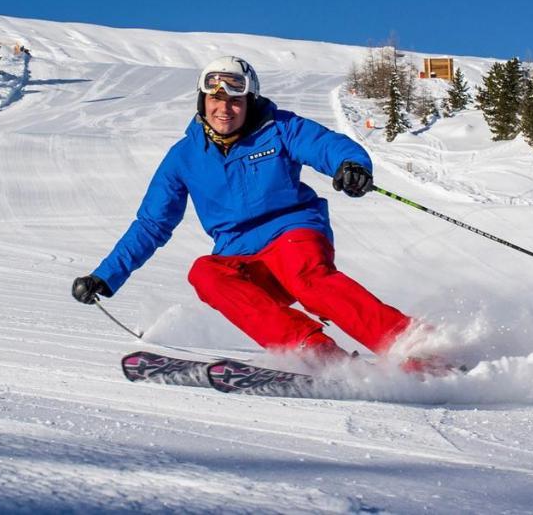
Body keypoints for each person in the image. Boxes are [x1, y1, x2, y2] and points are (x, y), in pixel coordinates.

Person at [72, 55, 417, 364]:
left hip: (293, 234)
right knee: (205, 273)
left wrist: (351, 165)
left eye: (235, 101)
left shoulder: (278, 128)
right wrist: (106, 275)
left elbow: (326, 145)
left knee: (306, 278)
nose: (224, 109)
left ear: (249, 102)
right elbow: (151, 224)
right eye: (215, 98)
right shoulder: (183, 157)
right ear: (202, 100)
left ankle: (412, 344)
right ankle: (311, 351)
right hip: (243, 258)